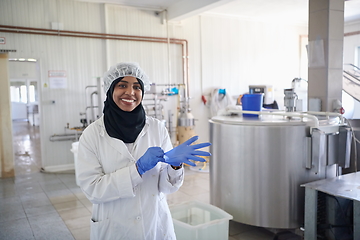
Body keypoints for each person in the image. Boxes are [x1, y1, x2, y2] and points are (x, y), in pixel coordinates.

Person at [75, 62, 211, 240]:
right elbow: (93, 190)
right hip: (115, 227)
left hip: (154, 224)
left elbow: (165, 187)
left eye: (137, 87)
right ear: (110, 90)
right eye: (122, 85)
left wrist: (175, 166)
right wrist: (137, 169)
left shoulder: (156, 128)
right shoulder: (92, 135)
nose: (130, 92)